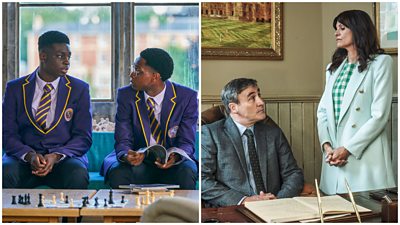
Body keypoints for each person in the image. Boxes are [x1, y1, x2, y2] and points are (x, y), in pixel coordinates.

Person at [317, 10, 396, 195]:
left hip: (364, 158)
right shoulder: (332, 68)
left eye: (342, 28)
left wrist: (348, 149)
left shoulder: (381, 63)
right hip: (333, 158)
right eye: (336, 29)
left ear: (358, 30)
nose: (337, 33)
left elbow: (379, 116)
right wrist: (327, 146)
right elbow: (322, 112)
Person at [2, 30, 92, 189]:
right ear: (43, 56)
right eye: (60, 56)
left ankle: (70, 215)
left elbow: (83, 137)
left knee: (77, 173)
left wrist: (56, 156)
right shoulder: (15, 88)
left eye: (68, 56)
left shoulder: (79, 89)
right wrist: (29, 156)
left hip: (63, 160)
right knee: (6, 171)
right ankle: (12, 215)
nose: (67, 61)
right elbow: (8, 134)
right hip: (23, 160)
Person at [101, 48, 198, 189]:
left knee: (186, 172)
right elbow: (123, 139)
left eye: (138, 71)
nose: (132, 74)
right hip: (139, 161)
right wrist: (128, 155)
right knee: (118, 173)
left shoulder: (186, 97)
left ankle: (179, 211)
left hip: (172, 163)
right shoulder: (126, 95)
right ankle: (124, 211)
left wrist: (175, 157)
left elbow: (187, 141)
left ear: (155, 77)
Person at [201, 78, 304, 207]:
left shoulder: (273, 133)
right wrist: (243, 200)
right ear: (233, 107)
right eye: (252, 98)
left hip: (274, 207)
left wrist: (278, 201)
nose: (261, 102)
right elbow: (203, 180)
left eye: (259, 95)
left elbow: (293, 173)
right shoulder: (211, 134)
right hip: (234, 208)